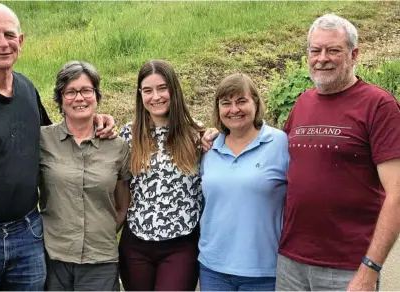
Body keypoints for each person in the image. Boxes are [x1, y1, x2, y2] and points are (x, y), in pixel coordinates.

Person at [202, 13, 400, 291]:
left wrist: (370, 268)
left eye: (333, 50)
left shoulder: (379, 105)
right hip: (290, 261)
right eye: (315, 50)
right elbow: (265, 153)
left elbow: (397, 194)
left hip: (346, 266)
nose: (322, 58)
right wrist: (216, 134)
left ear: (354, 54)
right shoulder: (304, 102)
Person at [0, 3, 115, 291]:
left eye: (9, 34)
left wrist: (96, 120)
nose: (2, 43)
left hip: (28, 235)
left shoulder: (26, 90)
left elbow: (57, 137)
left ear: (20, 41)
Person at [39, 61, 131, 291]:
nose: (79, 98)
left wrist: (103, 231)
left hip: (100, 261)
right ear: (60, 99)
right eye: (70, 92)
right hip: (53, 258)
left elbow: (123, 205)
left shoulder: (118, 147)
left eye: (86, 90)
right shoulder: (42, 140)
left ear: (96, 96)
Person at [118, 59, 203, 291]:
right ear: (140, 95)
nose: (155, 96)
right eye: (148, 90)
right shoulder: (128, 134)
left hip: (181, 243)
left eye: (162, 88)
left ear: (173, 90)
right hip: (136, 243)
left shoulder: (196, 134)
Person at [199, 73, 289, 291]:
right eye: (226, 103)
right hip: (213, 268)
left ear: (256, 104)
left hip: (263, 270)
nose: (234, 109)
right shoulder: (208, 148)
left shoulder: (279, 142)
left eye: (241, 101)